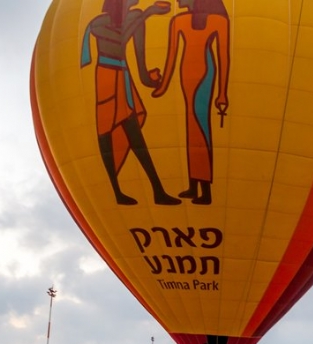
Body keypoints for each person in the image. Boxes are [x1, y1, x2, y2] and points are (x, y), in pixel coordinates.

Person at [81, 0, 181, 206]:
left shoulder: (136, 18)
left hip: (123, 76)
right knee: (105, 132)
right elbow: (119, 40)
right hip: (106, 77)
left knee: (134, 131)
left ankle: (158, 190)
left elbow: (141, 69)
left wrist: (153, 80)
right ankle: (115, 191)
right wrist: (146, 15)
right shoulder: (98, 23)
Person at [152, 0, 230, 205]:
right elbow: (171, 57)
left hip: (204, 75)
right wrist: (163, 86)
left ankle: (205, 190)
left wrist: (222, 92)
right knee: (191, 129)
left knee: (201, 128)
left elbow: (224, 57)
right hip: (186, 75)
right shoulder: (178, 21)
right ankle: (194, 186)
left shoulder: (218, 21)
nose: (178, 1)